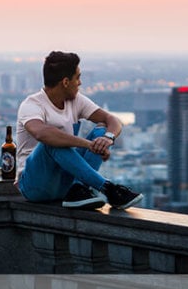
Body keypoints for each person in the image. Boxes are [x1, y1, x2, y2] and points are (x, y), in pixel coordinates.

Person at [15, 50, 143, 210]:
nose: (80, 83)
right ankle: (108, 188)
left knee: (101, 131)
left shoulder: (75, 101)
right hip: (35, 185)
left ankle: (78, 189)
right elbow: (41, 133)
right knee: (51, 141)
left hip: (65, 181)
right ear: (66, 82)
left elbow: (112, 120)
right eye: (78, 77)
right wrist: (88, 145)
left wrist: (108, 138)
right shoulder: (32, 105)